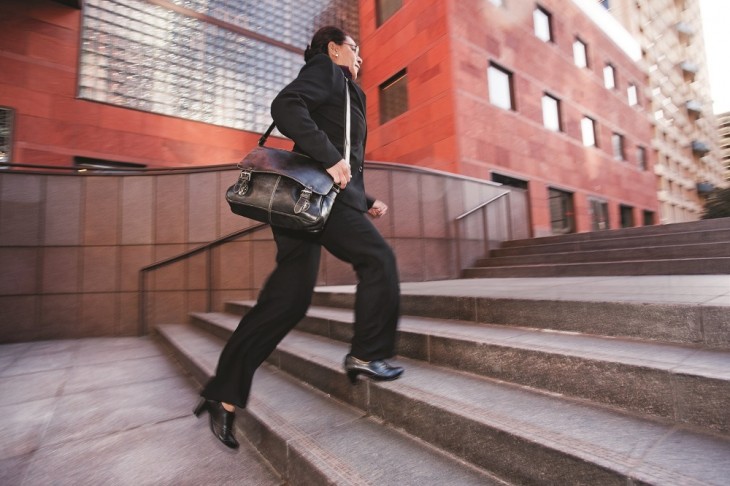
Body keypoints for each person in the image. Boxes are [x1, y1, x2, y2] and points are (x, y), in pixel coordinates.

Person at [194, 26, 403, 449]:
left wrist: (366, 199)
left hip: (313, 202)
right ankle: (366, 353)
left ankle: (223, 395)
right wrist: (332, 159)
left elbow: (340, 162)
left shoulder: (343, 88)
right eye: (354, 48)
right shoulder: (326, 71)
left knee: (285, 303)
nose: (359, 56)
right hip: (316, 202)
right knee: (378, 261)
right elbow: (287, 106)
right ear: (333, 49)